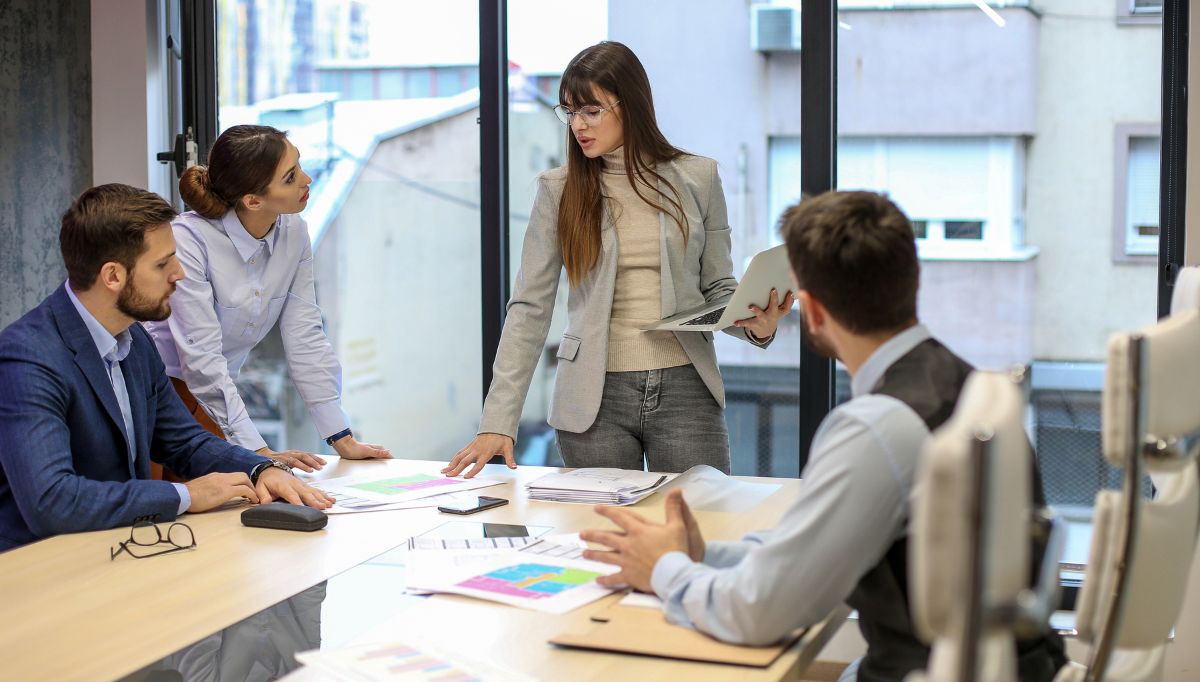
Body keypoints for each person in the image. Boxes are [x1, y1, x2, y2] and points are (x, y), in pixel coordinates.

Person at [578, 191, 1066, 682]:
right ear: (910, 280)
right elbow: (811, 556)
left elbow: (757, 611)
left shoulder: (878, 427)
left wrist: (664, 569)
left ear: (809, 312)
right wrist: (702, 556)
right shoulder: (966, 383)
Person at [443, 41, 792, 478]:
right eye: (569, 112)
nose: (578, 125)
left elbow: (718, 287)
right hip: (592, 396)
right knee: (605, 537)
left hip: (686, 384)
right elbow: (529, 309)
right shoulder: (558, 190)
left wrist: (757, 324)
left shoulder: (699, 177)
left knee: (697, 526)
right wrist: (498, 420)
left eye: (591, 111)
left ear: (631, 106)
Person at [0, 184, 334, 552]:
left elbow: (184, 442)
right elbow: (52, 501)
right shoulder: (28, 359)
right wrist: (183, 496)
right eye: (163, 264)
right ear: (113, 276)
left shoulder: (134, 339)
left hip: (117, 550)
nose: (179, 273)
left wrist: (261, 468)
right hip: (36, 570)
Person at [144, 125, 390, 472]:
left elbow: (305, 333)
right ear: (253, 200)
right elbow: (201, 361)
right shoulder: (189, 241)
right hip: (161, 396)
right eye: (291, 177)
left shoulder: (294, 231)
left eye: (299, 165)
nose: (306, 179)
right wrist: (258, 452)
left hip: (217, 395)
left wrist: (340, 435)